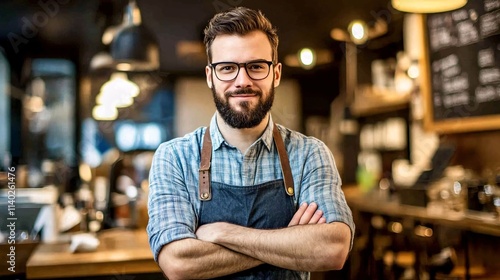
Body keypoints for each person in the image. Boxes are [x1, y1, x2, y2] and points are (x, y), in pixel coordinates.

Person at [147, 6, 355, 280]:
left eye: (256, 66)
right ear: (210, 76)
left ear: (276, 74)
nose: (242, 81)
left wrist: (224, 234)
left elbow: (333, 249)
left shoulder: (310, 154)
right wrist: (291, 243)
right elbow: (177, 263)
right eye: (227, 68)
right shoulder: (174, 157)